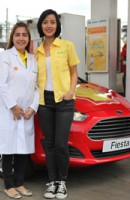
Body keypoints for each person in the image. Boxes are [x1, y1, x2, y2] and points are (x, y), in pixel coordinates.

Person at [0, 22, 39, 199]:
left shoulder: (33, 59)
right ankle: (9, 185)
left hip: (26, 113)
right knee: (8, 149)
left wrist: (33, 107)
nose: (21, 38)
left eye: (24, 35)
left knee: (22, 150)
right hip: (10, 111)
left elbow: (37, 87)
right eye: (17, 35)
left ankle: (19, 183)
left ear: (28, 39)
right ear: (12, 37)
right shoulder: (5, 56)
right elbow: (0, 83)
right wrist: (13, 106)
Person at [35, 9, 80, 199]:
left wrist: (71, 92)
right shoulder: (36, 51)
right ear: (41, 25)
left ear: (57, 25)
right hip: (44, 102)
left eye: (52, 22)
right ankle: (51, 181)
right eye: (45, 22)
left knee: (61, 144)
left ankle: (62, 182)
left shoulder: (66, 46)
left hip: (64, 101)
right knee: (50, 144)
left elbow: (74, 72)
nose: (49, 25)